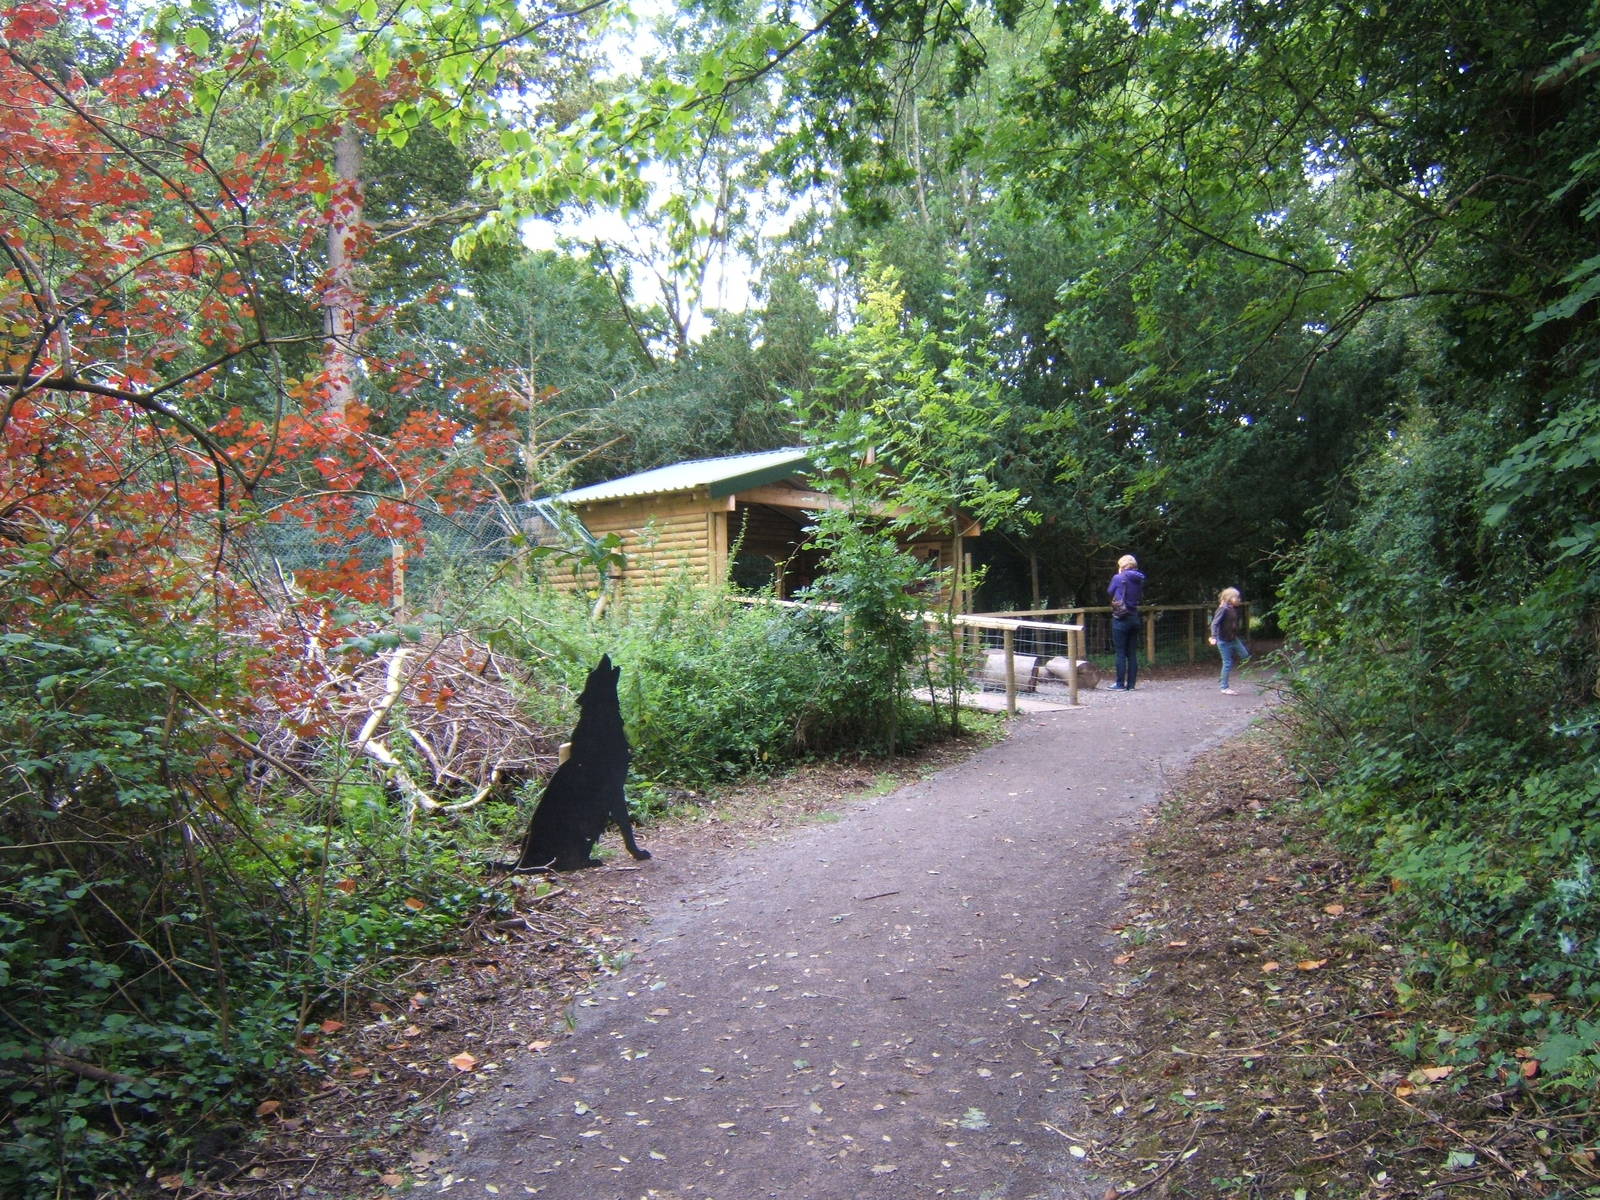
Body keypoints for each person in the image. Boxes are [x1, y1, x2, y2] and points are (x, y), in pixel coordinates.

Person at [1107, 553, 1146, 690]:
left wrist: (1119, 574)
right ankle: (1131, 685)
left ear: (1122, 566)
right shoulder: (1140, 579)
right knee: (1132, 653)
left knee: (1120, 652)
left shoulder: (1118, 577)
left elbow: (1110, 591)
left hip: (1121, 617)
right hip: (1134, 617)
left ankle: (1119, 684)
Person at [1208, 586, 1251, 694]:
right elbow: (1214, 623)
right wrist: (1213, 636)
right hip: (1223, 640)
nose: (1239, 600)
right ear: (1229, 598)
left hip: (1233, 638)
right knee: (1227, 663)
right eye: (1237, 598)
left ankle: (1223, 677)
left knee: (1245, 655)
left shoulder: (1233, 608)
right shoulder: (1223, 609)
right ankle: (1224, 687)